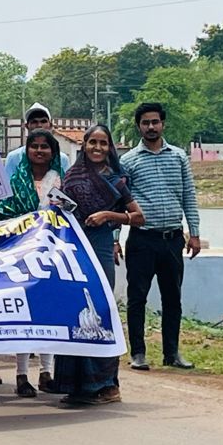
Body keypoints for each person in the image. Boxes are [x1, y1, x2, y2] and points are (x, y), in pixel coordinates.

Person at [55, 123, 144, 405]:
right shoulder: (72, 176)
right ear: (84, 145)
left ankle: (107, 386)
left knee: (100, 313)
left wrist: (108, 215)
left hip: (102, 248)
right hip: (75, 250)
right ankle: (76, 385)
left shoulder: (117, 180)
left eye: (103, 143)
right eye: (92, 142)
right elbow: (60, 210)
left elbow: (138, 217)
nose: (97, 148)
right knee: (75, 313)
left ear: (110, 147)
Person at [122, 102, 202, 371]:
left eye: (155, 122)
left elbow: (189, 196)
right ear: (139, 126)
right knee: (137, 298)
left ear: (163, 124)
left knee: (172, 298)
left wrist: (195, 234)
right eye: (145, 123)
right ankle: (138, 353)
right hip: (142, 239)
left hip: (172, 239)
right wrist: (113, 239)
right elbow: (119, 201)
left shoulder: (178, 156)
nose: (151, 127)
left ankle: (172, 353)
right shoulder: (128, 161)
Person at [0, 128, 69, 397]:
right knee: (25, 315)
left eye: (45, 146)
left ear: (53, 152)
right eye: (34, 146)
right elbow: (4, 211)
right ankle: (22, 375)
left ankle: (47, 373)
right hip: (21, 253)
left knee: (49, 312)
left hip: (52, 253)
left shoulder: (61, 180)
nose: (39, 151)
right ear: (27, 152)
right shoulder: (16, 181)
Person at [4, 103, 69, 178]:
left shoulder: (62, 159)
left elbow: (65, 186)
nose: (39, 125)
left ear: (50, 125)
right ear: (26, 126)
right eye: (34, 122)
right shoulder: (14, 157)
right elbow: (8, 186)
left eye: (43, 121)